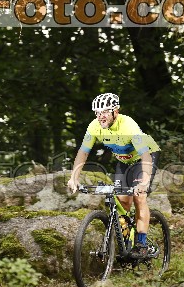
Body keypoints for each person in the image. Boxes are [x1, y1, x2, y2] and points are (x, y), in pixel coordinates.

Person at [67, 93, 161, 259]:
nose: (100, 116)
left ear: (115, 111)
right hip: (124, 161)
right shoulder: (94, 127)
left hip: (145, 157)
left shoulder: (128, 125)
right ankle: (127, 241)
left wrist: (144, 182)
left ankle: (142, 244)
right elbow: (83, 153)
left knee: (139, 197)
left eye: (104, 112)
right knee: (123, 201)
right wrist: (74, 178)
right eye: (97, 113)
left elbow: (145, 156)